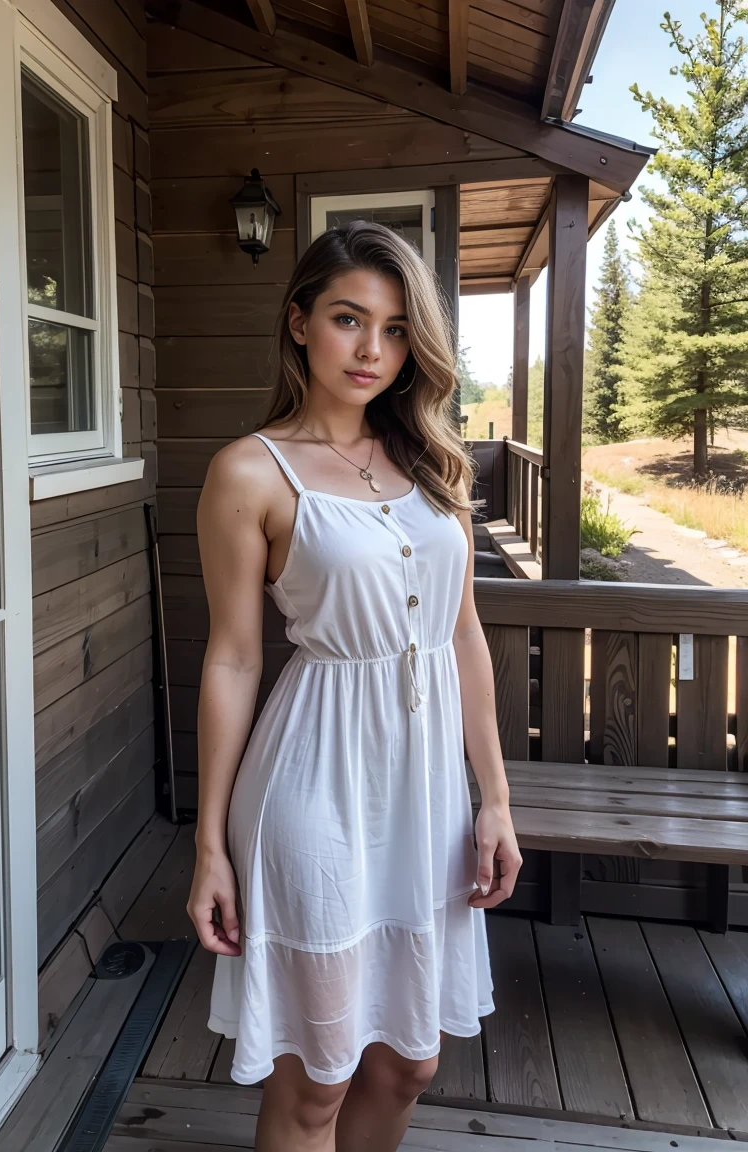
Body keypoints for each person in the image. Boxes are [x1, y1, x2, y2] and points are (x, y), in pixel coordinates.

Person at [187, 220, 522, 1152]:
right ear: (299, 323)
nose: (373, 349)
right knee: (319, 1082)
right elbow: (233, 658)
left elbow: (463, 639)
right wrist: (210, 846)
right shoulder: (250, 470)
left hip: (425, 798)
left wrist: (493, 802)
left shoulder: (432, 464)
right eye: (347, 318)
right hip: (314, 785)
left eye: (396, 328)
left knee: (408, 1062)